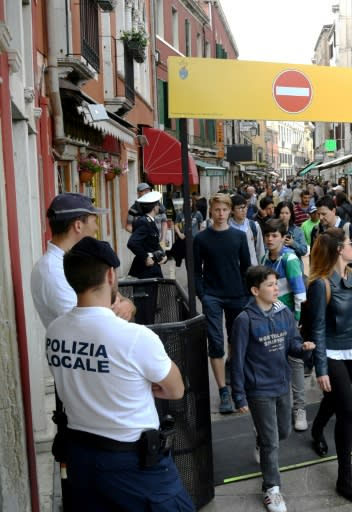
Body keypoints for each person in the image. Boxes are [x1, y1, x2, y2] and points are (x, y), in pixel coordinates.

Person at [46, 236, 193, 510]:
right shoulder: (135, 337)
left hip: (81, 458)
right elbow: (175, 389)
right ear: (111, 275)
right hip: (133, 463)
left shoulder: (55, 331)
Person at [230, 266, 315, 512]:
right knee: (272, 443)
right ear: (255, 290)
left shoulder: (284, 312)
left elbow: (292, 344)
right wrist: (239, 395)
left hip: (281, 383)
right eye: (270, 285)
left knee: (284, 432)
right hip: (259, 390)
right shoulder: (244, 320)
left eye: (276, 284)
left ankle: (261, 440)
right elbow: (237, 360)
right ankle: (271, 489)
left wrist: (303, 347)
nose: (276, 288)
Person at [307, 227, 352, 504]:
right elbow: (318, 329)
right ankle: (344, 480)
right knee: (347, 409)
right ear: (339, 249)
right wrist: (321, 368)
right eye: (350, 243)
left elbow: (350, 313)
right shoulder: (320, 284)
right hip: (333, 354)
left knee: (335, 399)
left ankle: (316, 429)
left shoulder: (350, 275)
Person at [31, 193, 135, 328]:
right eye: (94, 222)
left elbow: (114, 296)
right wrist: (125, 306)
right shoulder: (52, 270)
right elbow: (86, 323)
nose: (96, 228)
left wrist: (128, 304)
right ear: (78, 226)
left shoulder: (79, 259)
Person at [193, 193, 251, 414]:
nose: (220, 214)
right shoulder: (201, 238)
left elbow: (246, 267)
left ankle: (237, 384)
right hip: (213, 296)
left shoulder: (239, 237)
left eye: (224, 210)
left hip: (237, 294)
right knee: (216, 342)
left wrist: (248, 293)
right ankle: (223, 390)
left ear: (230, 211)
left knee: (237, 341)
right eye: (217, 210)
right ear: (211, 210)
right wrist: (202, 294)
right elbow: (196, 270)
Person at [261, 219, 308, 431]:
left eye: (274, 235)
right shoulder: (264, 258)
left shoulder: (289, 259)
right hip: (270, 319)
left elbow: (300, 293)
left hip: (289, 320)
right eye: (267, 235)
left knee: (295, 362)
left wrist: (297, 321)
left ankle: (300, 409)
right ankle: (284, 408)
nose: (270, 239)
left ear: (283, 237)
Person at [127, 190, 168, 325]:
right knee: (145, 307)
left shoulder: (149, 221)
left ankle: (149, 328)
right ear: (154, 206)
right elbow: (132, 243)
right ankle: (146, 330)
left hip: (151, 269)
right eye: (157, 204)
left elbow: (153, 243)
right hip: (145, 271)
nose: (159, 207)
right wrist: (145, 257)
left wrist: (162, 255)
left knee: (150, 306)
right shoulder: (144, 222)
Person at [311, 195, 352, 260]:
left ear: (333, 211)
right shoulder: (316, 230)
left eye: (324, 214)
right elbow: (313, 255)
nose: (320, 217)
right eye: (318, 214)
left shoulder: (348, 228)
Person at [229, 194, 266, 266]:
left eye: (245, 207)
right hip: (234, 270)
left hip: (252, 269)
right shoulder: (227, 227)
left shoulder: (254, 226)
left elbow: (260, 250)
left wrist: (261, 270)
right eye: (240, 208)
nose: (243, 210)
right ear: (232, 210)